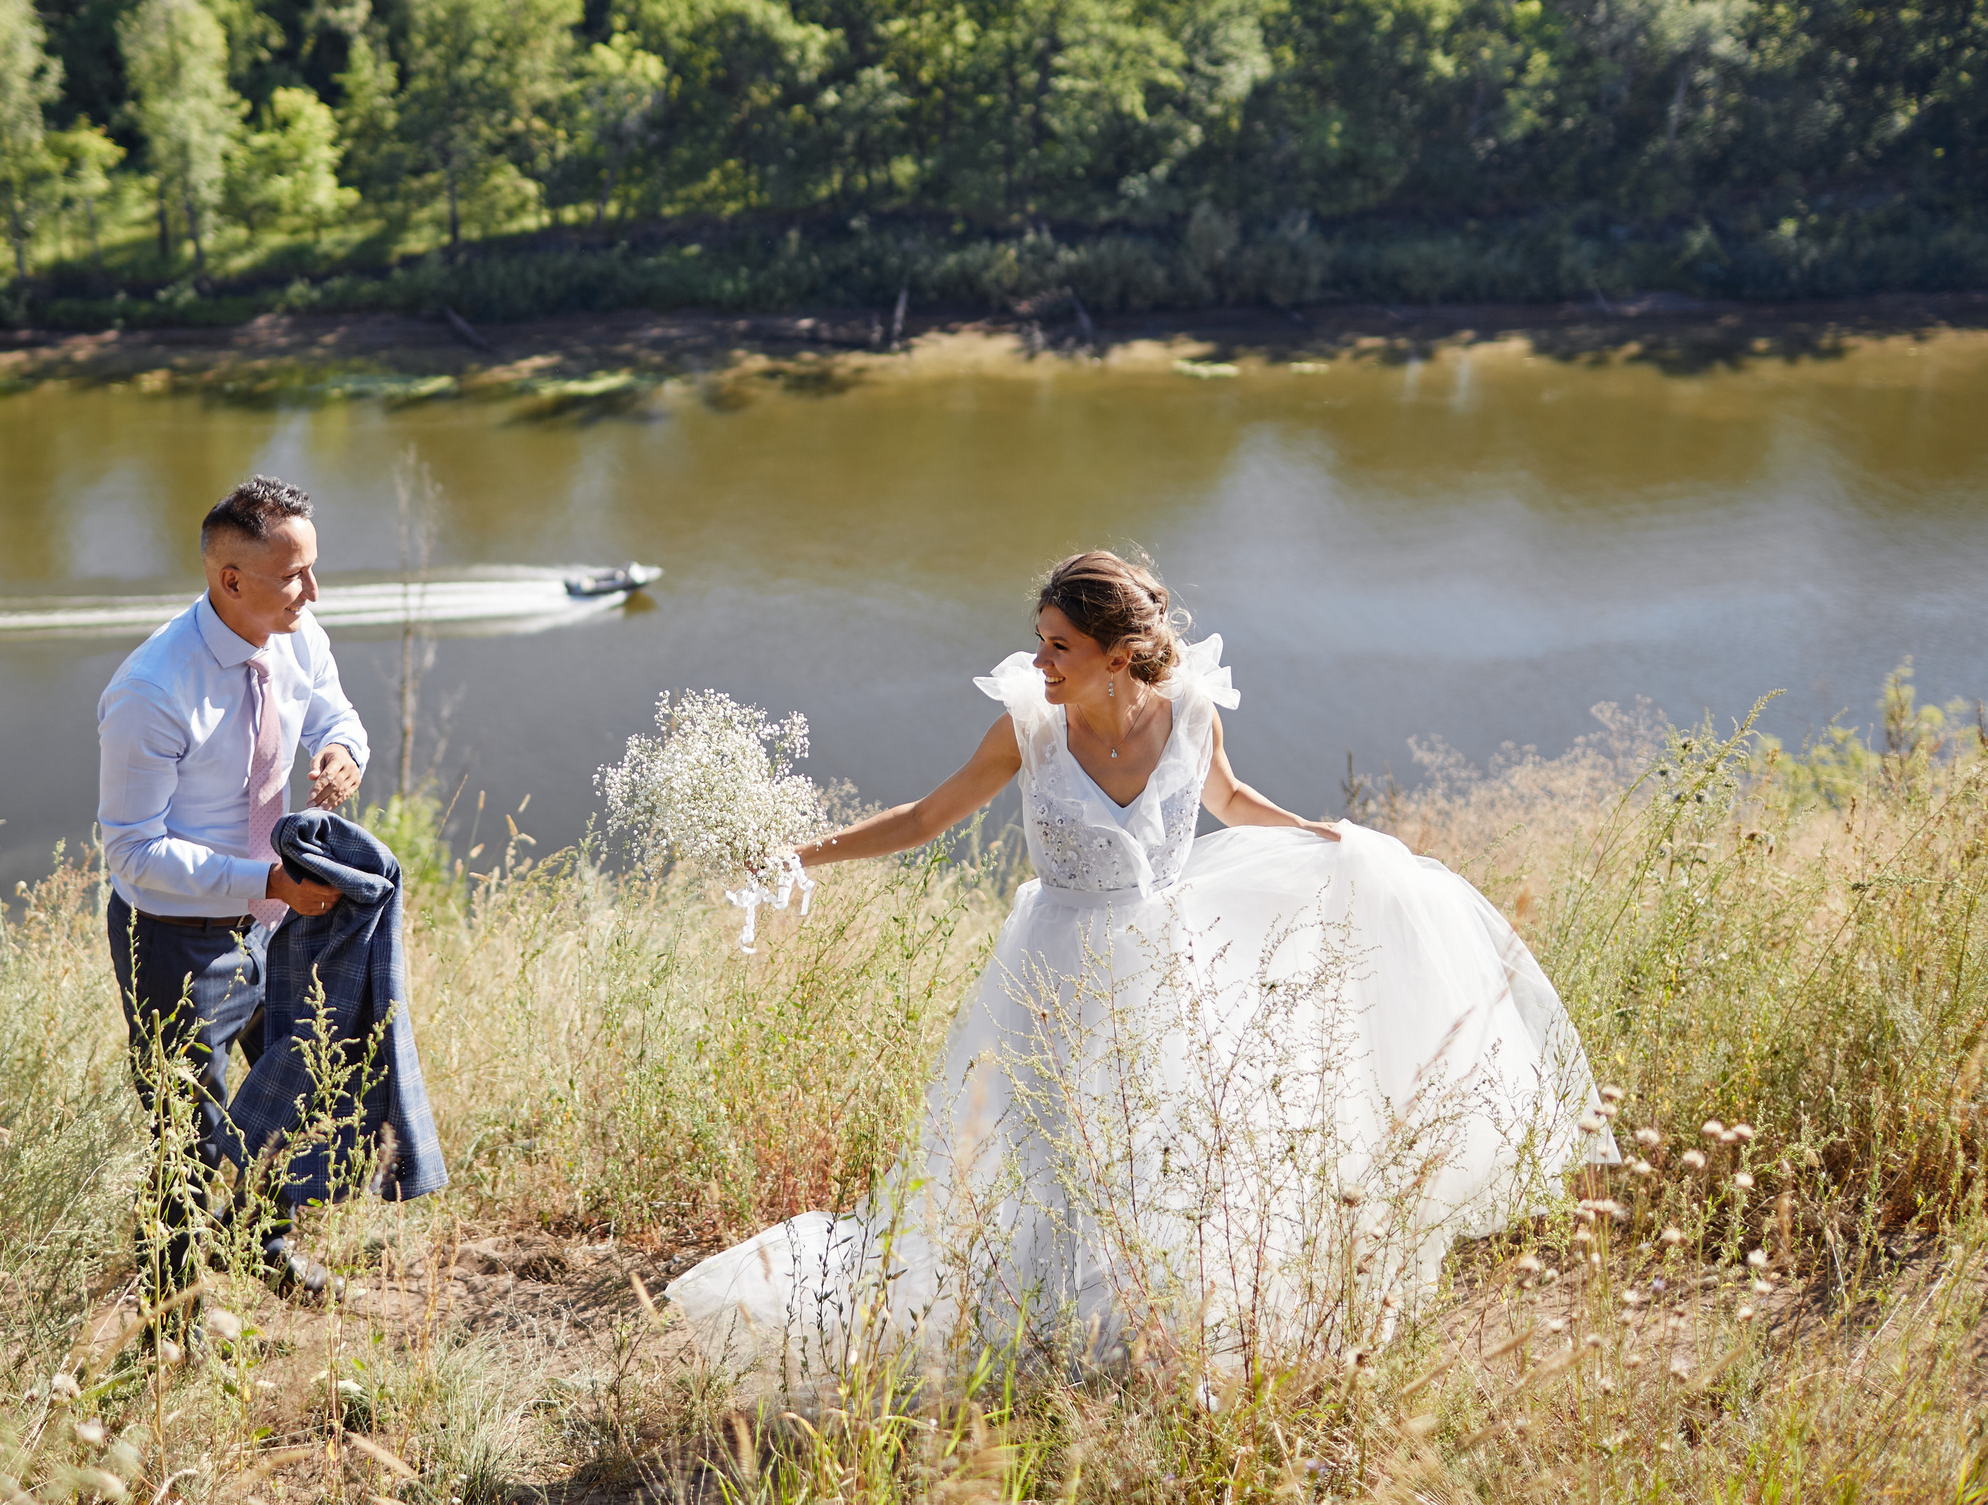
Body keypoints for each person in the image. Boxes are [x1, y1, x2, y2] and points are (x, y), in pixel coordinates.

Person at [668, 550, 1614, 1378]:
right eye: (1038, 640)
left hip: (1167, 970)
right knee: (1033, 1150)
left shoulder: (1191, 714)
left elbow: (1233, 802)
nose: (1039, 662)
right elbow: (923, 820)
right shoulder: (1027, 728)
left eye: (1058, 647)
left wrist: (1330, 839)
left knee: (1170, 1152)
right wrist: (800, 853)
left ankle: (1144, 1328)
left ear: (1117, 656)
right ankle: (1027, 1323)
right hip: (1049, 972)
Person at [97, 476, 366, 1302]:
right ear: (229, 580)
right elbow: (132, 853)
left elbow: (334, 714)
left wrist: (343, 752)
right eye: (293, 577)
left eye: (312, 570)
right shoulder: (151, 692)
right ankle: (169, 1321)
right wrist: (266, 878)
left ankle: (262, 1244)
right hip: (178, 943)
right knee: (191, 1137)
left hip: (272, 923)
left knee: (287, 1094)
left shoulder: (296, 631)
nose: (312, 593)